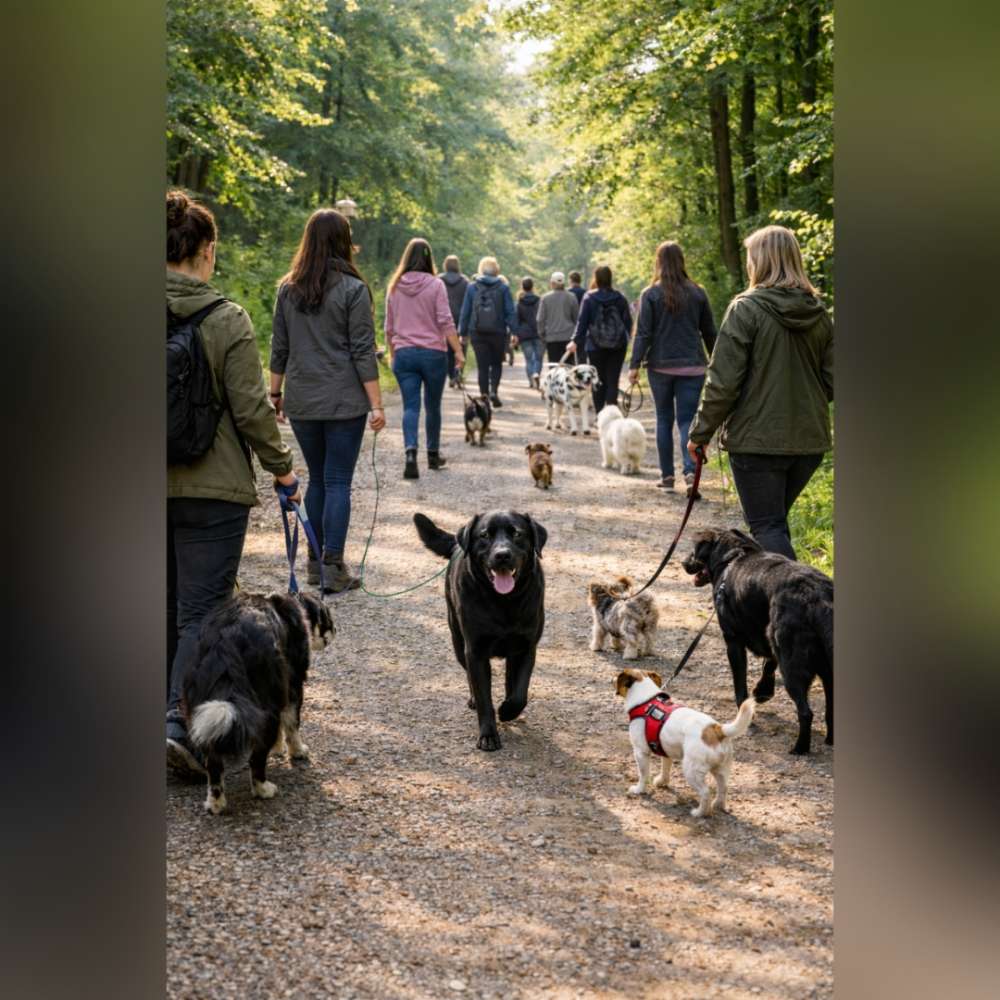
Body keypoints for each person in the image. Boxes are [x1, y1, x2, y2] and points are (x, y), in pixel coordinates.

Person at [166, 190, 302, 777]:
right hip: (212, 491)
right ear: (207, 250)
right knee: (198, 613)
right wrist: (283, 468)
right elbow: (251, 410)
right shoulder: (226, 318)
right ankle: (178, 724)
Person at [687, 225, 833, 559]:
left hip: (757, 442)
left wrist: (700, 433)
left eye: (751, 257)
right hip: (808, 443)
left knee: (767, 528)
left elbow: (723, 382)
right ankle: (783, 603)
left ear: (761, 261)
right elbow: (833, 380)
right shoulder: (819, 313)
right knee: (775, 525)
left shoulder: (745, 309)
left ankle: (797, 601)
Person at [270, 208, 386, 594]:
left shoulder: (287, 289)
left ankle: (313, 563)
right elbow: (362, 351)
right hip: (344, 401)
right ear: (343, 241)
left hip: (302, 398)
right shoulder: (354, 289)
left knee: (317, 479)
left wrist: (275, 392)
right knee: (338, 480)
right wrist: (378, 404)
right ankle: (332, 567)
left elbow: (279, 347)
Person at [628, 241, 717, 496]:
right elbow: (709, 332)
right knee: (687, 420)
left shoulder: (651, 294)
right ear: (682, 262)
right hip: (693, 366)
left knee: (664, 418)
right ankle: (690, 473)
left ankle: (667, 476)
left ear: (658, 262)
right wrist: (717, 361)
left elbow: (643, 334)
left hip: (660, 367)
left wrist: (634, 365)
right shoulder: (698, 293)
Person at [385, 238, 466, 479]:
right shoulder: (436, 284)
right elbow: (445, 320)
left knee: (410, 406)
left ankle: (410, 452)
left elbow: (389, 326)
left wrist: (392, 352)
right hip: (433, 354)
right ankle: (432, 455)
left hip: (404, 353)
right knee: (432, 405)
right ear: (429, 258)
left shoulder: (395, 286)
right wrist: (458, 351)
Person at [568, 265, 633, 413]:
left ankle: (600, 415)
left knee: (598, 381)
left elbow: (582, 323)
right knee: (613, 380)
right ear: (610, 278)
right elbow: (628, 323)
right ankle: (611, 414)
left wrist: (575, 341)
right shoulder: (620, 298)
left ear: (596, 279)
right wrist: (627, 341)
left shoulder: (589, 297)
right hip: (617, 346)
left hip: (595, 346)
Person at [458, 256, 516, 406]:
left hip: (477, 332)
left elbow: (465, 312)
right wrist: (515, 332)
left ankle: (484, 397)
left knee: (482, 366)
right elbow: (510, 311)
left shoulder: (472, 287)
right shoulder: (503, 288)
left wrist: (462, 333)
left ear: (481, 269)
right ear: (496, 270)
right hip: (498, 332)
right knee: (496, 363)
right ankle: (493, 392)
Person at [537, 271, 580, 364]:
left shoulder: (545, 298)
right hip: (568, 338)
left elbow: (540, 319)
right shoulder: (572, 297)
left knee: (554, 368)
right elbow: (577, 318)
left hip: (551, 338)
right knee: (568, 367)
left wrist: (542, 335)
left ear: (552, 283)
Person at [439, 255, 469, 387]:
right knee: (461, 348)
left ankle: (451, 375)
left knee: (447, 350)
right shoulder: (465, 282)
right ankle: (458, 374)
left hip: (443, 319)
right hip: (460, 319)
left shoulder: (439, 280)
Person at [513, 276, 543, 388]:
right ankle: (536, 374)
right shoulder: (540, 300)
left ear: (522, 287)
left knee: (529, 359)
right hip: (538, 332)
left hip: (524, 334)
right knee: (538, 358)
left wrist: (515, 334)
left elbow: (516, 319)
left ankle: (531, 381)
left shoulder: (519, 303)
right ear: (532, 286)